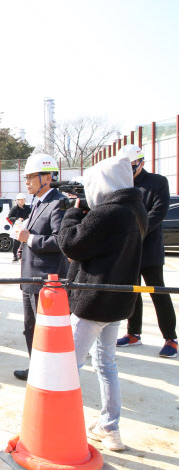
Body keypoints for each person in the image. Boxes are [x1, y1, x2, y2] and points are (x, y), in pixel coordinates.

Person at [58, 155, 148, 451]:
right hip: (118, 302)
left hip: (93, 303)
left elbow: (71, 244)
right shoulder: (136, 209)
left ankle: (57, 426)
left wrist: (73, 212)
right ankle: (110, 429)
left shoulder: (107, 213)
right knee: (106, 366)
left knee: (66, 367)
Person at [117, 144, 177, 358]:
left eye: (132, 165)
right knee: (133, 293)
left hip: (149, 248)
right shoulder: (121, 184)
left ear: (141, 162)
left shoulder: (158, 182)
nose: (128, 170)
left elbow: (158, 213)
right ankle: (133, 334)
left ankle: (171, 338)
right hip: (128, 248)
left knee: (157, 292)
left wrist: (134, 232)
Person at [13, 154, 69, 381]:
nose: (26, 182)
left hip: (46, 279)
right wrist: (22, 246)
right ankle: (37, 368)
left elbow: (61, 240)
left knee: (46, 329)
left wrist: (30, 239)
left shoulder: (58, 202)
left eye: (30, 177)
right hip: (30, 277)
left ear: (47, 177)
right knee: (30, 327)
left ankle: (51, 373)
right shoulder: (38, 201)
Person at [7, 193, 30, 262]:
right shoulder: (14, 208)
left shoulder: (28, 208)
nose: (22, 201)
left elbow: (31, 215)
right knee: (16, 241)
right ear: (17, 200)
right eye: (21, 200)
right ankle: (15, 255)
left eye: (23, 200)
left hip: (26, 226)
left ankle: (25, 256)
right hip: (17, 227)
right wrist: (17, 218)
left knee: (26, 241)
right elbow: (10, 217)